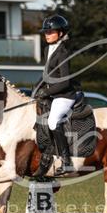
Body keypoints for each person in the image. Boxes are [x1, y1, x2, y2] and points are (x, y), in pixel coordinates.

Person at [33, 15, 76, 175]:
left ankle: (67, 161)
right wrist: (36, 87)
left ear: (60, 33)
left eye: (50, 32)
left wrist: (46, 92)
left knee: (52, 121)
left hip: (64, 96)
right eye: (46, 32)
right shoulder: (47, 50)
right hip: (53, 95)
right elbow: (47, 75)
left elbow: (65, 82)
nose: (47, 34)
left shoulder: (63, 53)